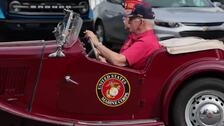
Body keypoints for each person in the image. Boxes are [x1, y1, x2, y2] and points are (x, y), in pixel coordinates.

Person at [84, 2, 161, 70]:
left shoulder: (146, 42)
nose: (128, 22)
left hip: (132, 81)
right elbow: (120, 59)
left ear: (140, 22)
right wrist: (104, 58)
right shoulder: (141, 38)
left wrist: (97, 44)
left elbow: (118, 60)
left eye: (131, 19)